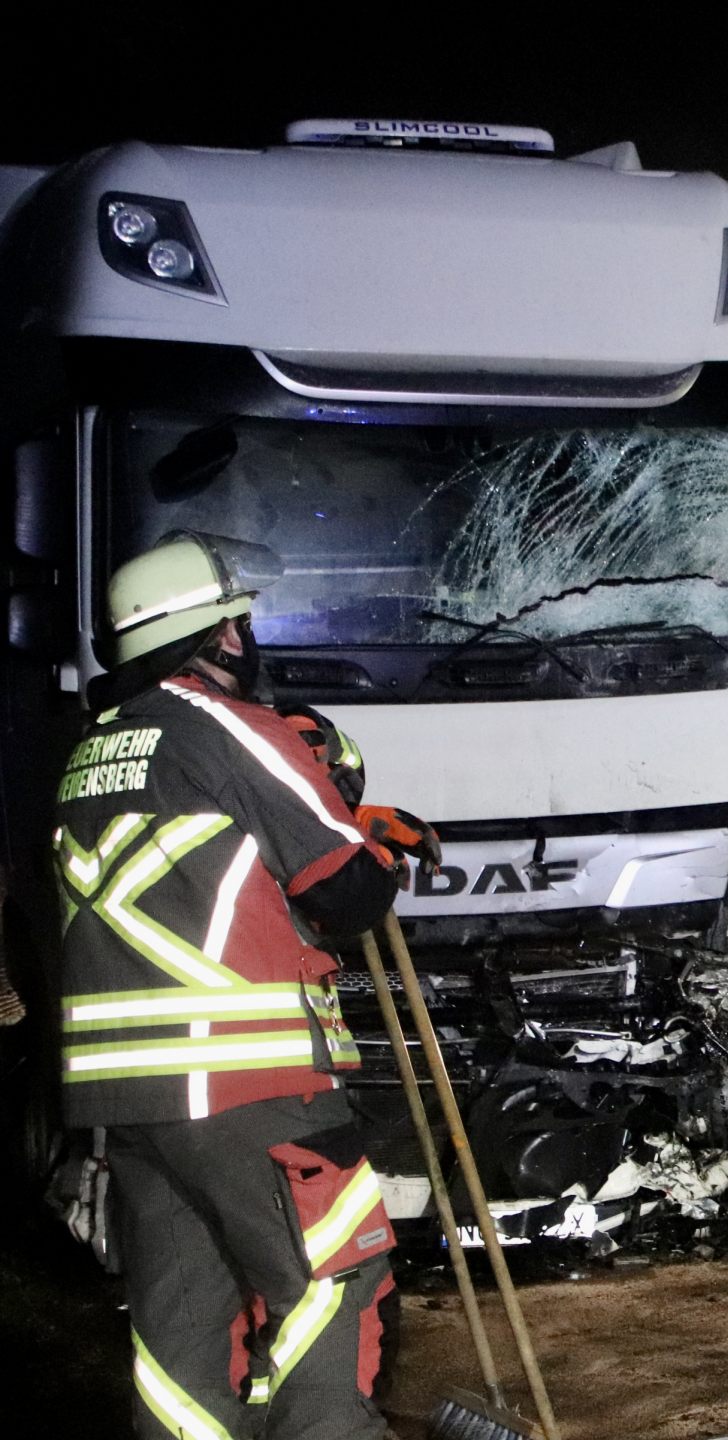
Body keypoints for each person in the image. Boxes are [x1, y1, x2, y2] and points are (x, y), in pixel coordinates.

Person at [54, 530, 439, 1438]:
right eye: (240, 619)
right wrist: (371, 839)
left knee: (181, 1330)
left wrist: (337, 825)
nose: (248, 634)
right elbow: (342, 892)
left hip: (132, 1108)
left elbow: (203, 874)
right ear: (221, 637)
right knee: (330, 1290)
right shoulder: (232, 726)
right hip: (252, 1086)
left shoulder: (92, 751)